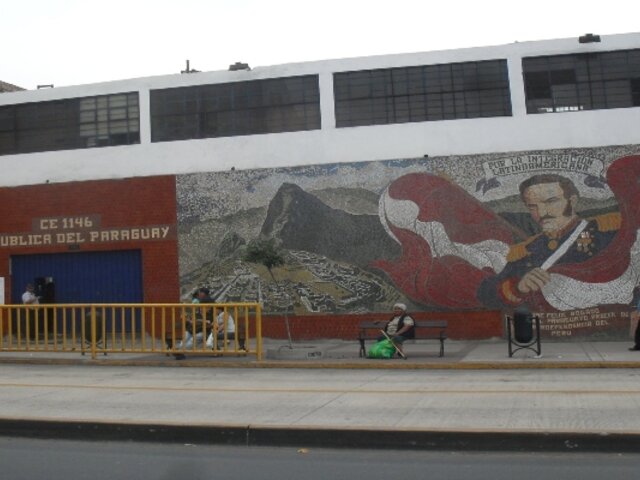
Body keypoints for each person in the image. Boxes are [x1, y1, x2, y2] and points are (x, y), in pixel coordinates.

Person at [478, 174, 620, 308]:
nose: (541, 213)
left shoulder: (606, 232)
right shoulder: (528, 248)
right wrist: (518, 287)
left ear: (572, 201)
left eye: (551, 201)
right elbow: (486, 292)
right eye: (532, 206)